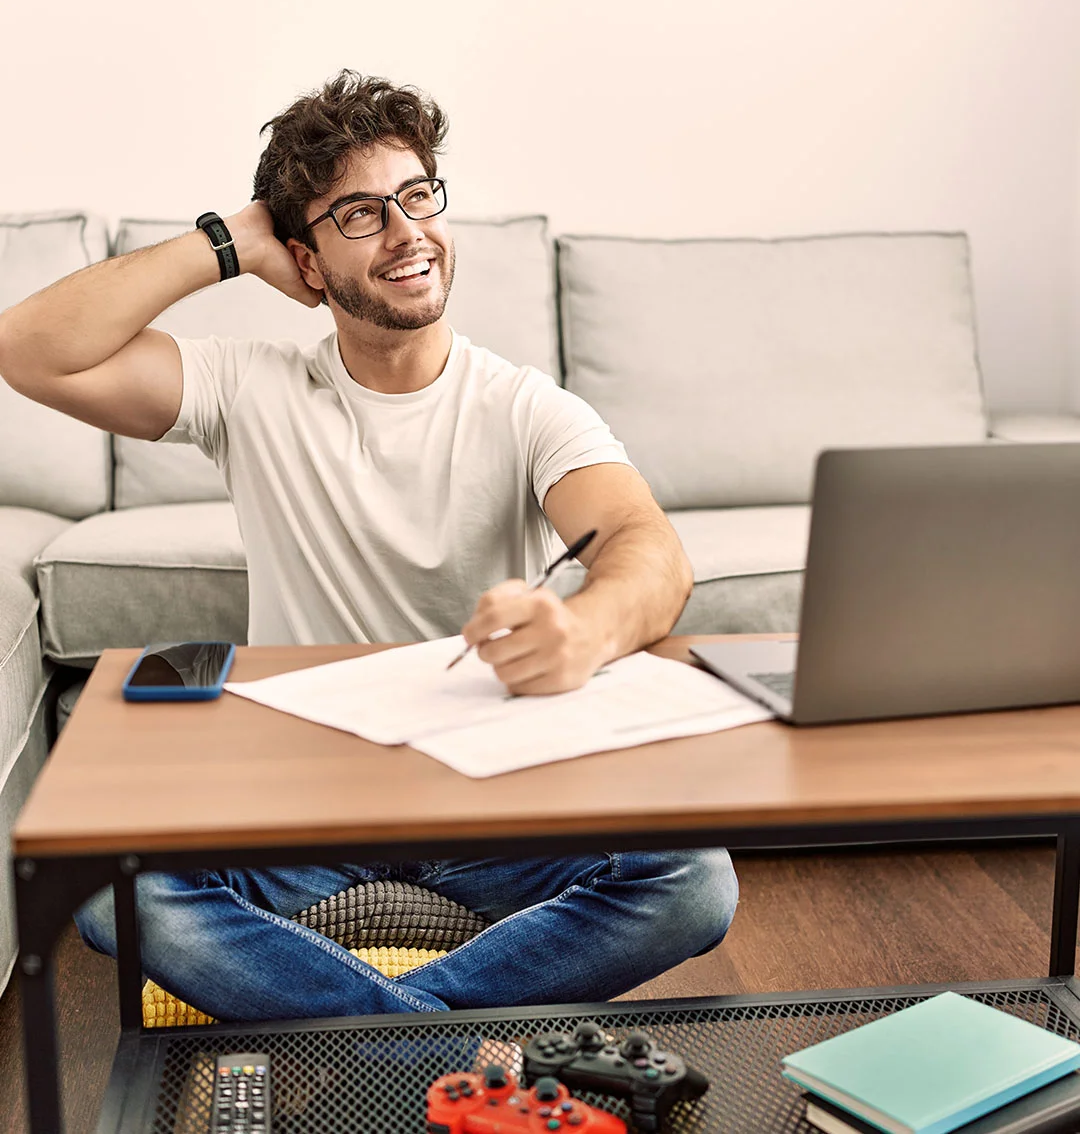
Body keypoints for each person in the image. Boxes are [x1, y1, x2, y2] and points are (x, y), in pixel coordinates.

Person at [0, 70, 738, 1022]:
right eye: (359, 214)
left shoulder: (524, 406)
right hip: (300, 807)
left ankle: (371, 1042)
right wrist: (226, 242)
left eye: (418, 196)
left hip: (492, 798)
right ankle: (425, 1045)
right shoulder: (246, 387)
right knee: (111, 892)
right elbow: (30, 350)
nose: (406, 233)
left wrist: (585, 631)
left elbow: (649, 548)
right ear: (305, 263)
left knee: (693, 881)